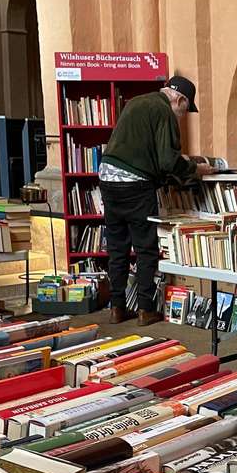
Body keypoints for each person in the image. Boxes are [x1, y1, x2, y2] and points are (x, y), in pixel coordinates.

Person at [97, 75, 214, 325]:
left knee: (117, 248)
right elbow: (166, 162)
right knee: (145, 248)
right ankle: (145, 310)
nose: (183, 116)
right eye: (185, 110)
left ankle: (117, 308)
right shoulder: (164, 112)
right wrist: (195, 169)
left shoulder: (136, 102)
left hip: (107, 179)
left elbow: (140, 147)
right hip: (136, 186)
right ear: (180, 99)